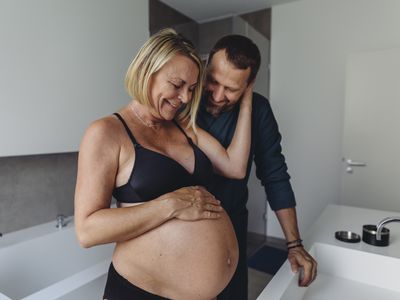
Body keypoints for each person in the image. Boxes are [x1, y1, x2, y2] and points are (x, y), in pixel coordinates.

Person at [74, 28, 254, 300]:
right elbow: (87, 230)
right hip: (140, 292)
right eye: (177, 84)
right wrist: (170, 205)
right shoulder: (107, 132)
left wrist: (248, 99)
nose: (184, 98)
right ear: (147, 70)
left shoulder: (185, 128)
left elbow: (236, 167)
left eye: (192, 89)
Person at [197, 35, 318, 300]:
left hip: (231, 228)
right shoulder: (185, 100)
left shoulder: (259, 110)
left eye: (230, 89)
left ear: (248, 85)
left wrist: (294, 244)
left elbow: (275, 175)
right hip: (185, 230)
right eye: (213, 80)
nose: (217, 95)